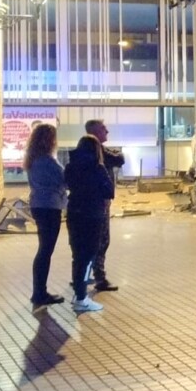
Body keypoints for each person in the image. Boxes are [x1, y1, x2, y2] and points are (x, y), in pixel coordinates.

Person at [65, 135, 112, 313]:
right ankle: (81, 297)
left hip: (74, 213)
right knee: (89, 257)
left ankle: (78, 291)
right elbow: (108, 190)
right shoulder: (97, 168)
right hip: (93, 215)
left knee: (77, 255)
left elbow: (67, 184)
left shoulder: (71, 166)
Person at [25, 124, 66, 307]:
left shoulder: (33, 159)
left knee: (44, 249)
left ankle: (39, 291)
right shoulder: (47, 161)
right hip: (50, 206)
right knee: (45, 251)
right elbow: (63, 180)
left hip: (38, 204)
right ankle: (40, 292)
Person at [84, 119, 124, 292]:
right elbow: (119, 158)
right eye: (103, 129)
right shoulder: (98, 151)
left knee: (86, 240)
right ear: (94, 132)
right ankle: (100, 278)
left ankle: (82, 274)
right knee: (101, 239)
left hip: (85, 202)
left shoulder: (82, 151)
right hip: (99, 203)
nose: (107, 131)